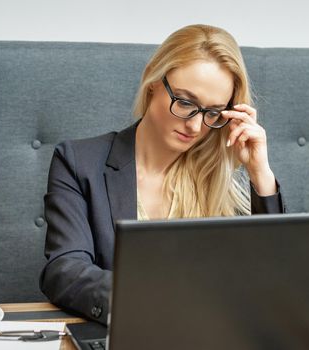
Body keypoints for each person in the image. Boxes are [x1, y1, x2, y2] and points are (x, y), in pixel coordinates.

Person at [40, 24, 285, 324]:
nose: (196, 127)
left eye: (213, 113)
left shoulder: (217, 176)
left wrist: (260, 174)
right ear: (153, 80)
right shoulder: (78, 162)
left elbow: (271, 280)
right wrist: (155, 301)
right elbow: (65, 270)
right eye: (184, 102)